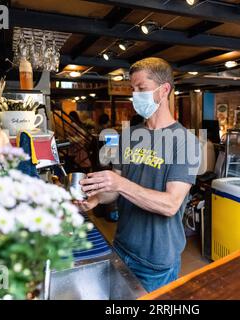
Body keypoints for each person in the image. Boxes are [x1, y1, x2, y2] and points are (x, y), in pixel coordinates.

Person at [77, 57, 201, 292]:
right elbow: (114, 189)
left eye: (141, 88)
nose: (134, 95)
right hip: (122, 246)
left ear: (163, 90)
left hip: (155, 260)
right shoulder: (129, 136)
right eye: (133, 89)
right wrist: (95, 199)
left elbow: (170, 204)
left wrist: (120, 183)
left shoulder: (186, 142)